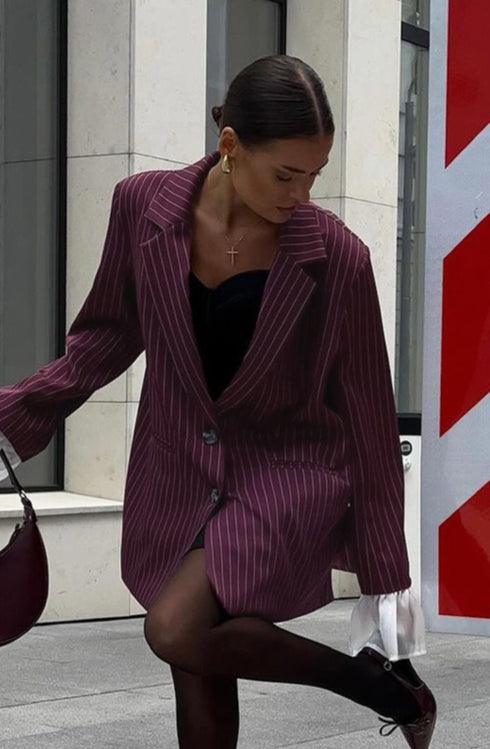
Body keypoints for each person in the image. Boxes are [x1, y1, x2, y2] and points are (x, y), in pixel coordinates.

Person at [0, 55, 436, 748]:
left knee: (175, 628)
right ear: (230, 144)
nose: (301, 193)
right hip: (175, 468)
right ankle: (390, 690)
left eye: (315, 175)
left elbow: (368, 416)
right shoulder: (142, 206)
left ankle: (379, 686)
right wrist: (17, 417)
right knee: (198, 660)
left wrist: (387, 576)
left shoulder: (337, 257)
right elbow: (107, 335)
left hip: (285, 473)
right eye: (285, 174)